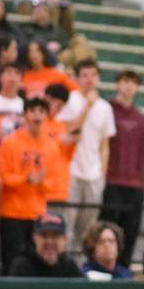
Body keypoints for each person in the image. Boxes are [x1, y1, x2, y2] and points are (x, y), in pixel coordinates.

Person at [0, 97, 59, 274]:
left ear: (47, 116)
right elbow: (3, 178)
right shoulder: (10, 143)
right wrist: (26, 178)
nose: (37, 116)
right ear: (25, 115)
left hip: (38, 215)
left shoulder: (52, 146)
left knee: (36, 263)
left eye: (41, 111)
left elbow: (55, 183)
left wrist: (41, 182)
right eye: (32, 111)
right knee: (12, 260)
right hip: (12, 213)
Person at [56, 59, 116, 244]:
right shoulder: (70, 100)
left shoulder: (105, 107)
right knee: (67, 224)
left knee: (89, 229)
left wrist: (102, 173)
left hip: (94, 174)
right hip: (71, 171)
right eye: (84, 75)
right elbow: (69, 131)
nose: (89, 80)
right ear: (77, 78)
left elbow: (105, 145)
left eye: (93, 75)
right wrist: (87, 107)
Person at [99, 70, 144, 267]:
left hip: (135, 184)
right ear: (117, 84)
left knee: (131, 230)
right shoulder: (107, 110)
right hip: (112, 181)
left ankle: (123, 270)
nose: (128, 86)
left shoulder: (140, 117)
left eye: (132, 82)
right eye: (125, 81)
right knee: (108, 229)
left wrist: (142, 180)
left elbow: (143, 151)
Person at [7, 212, 82, 278]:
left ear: (65, 240)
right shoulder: (21, 266)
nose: (49, 241)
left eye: (55, 236)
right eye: (44, 235)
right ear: (34, 238)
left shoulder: (69, 266)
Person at [41, 83, 76, 206]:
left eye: (62, 106)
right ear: (47, 99)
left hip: (60, 188)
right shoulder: (37, 124)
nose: (59, 109)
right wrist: (58, 142)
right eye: (58, 105)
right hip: (42, 188)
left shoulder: (60, 126)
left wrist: (72, 142)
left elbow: (67, 157)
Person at [0, 64, 25, 140]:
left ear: (21, 81)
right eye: (8, 72)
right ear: (0, 78)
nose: (12, 76)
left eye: (17, 73)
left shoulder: (24, 105)